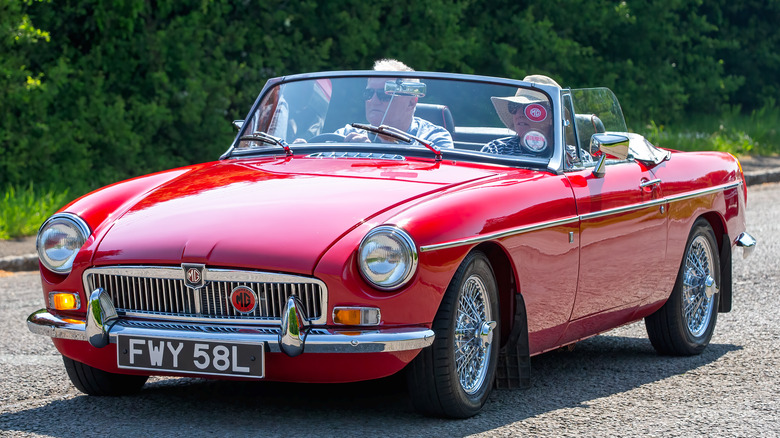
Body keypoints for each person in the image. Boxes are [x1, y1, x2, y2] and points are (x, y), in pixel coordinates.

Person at [335, 59, 454, 149]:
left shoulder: (433, 140)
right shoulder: (347, 134)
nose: (374, 100)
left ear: (411, 103)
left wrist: (378, 150)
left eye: (385, 94)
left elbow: (436, 177)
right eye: (369, 93)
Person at [481, 74, 560, 158]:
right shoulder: (496, 150)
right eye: (514, 107)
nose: (519, 114)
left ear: (552, 117)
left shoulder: (568, 156)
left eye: (530, 108)